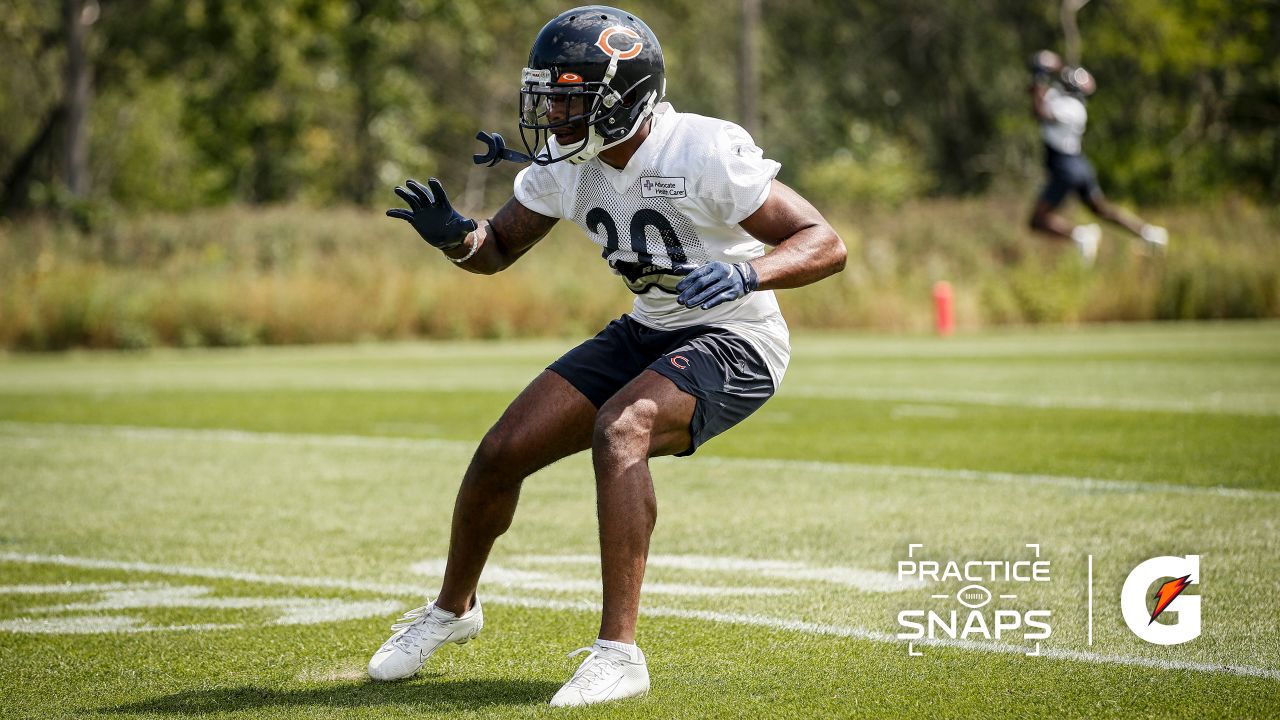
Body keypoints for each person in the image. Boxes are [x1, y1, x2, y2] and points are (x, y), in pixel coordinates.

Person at [371, 4, 846, 708]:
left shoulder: (701, 150)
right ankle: (452, 610)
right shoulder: (569, 164)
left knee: (622, 429)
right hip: (648, 327)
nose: (555, 114)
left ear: (624, 97)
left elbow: (824, 242)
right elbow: (496, 248)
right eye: (549, 97)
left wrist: (750, 272)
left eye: (570, 97)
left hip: (738, 335)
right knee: (501, 452)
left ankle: (619, 655)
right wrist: (455, 239)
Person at [1027, 49, 1168, 264]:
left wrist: (1040, 75)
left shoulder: (1072, 109)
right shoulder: (1063, 99)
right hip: (1079, 165)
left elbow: (1039, 111)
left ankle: (1080, 236)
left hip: (1065, 168)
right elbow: (1036, 93)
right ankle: (1148, 233)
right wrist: (1047, 67)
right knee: (1101, 209)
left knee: (1037, 220)